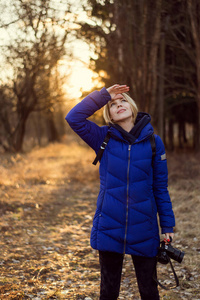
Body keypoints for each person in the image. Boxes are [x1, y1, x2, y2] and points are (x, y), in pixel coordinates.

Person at [66, 84, 175, 300]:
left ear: (132, 106)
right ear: (110, 115)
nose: (119, 105)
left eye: (123, 101)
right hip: (109, 225)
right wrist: (103, 95)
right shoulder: (102, 138)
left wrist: (167, 225)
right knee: (108, 293)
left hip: (144, 226)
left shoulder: (154, 142)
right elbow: (73, 117)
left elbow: (160, 187)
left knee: (149, 292)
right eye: (113, 105)